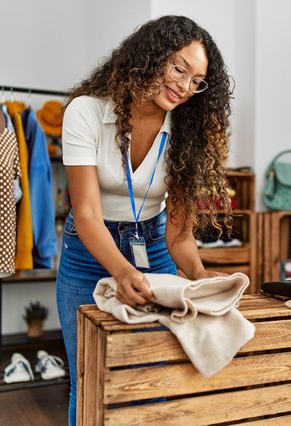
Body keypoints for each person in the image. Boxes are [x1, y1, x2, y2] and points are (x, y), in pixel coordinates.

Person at [57, 15, 233, 425]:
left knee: (154, 372)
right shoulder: (85, 112)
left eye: (197, 80)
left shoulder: (187, 132)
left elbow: (180, 237)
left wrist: (199, 273)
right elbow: (85, 212)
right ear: (150, 56)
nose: (185, 86)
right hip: (87, 250)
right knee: (90, 375)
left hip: (152, 245)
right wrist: (120, 271)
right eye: (179, 68)